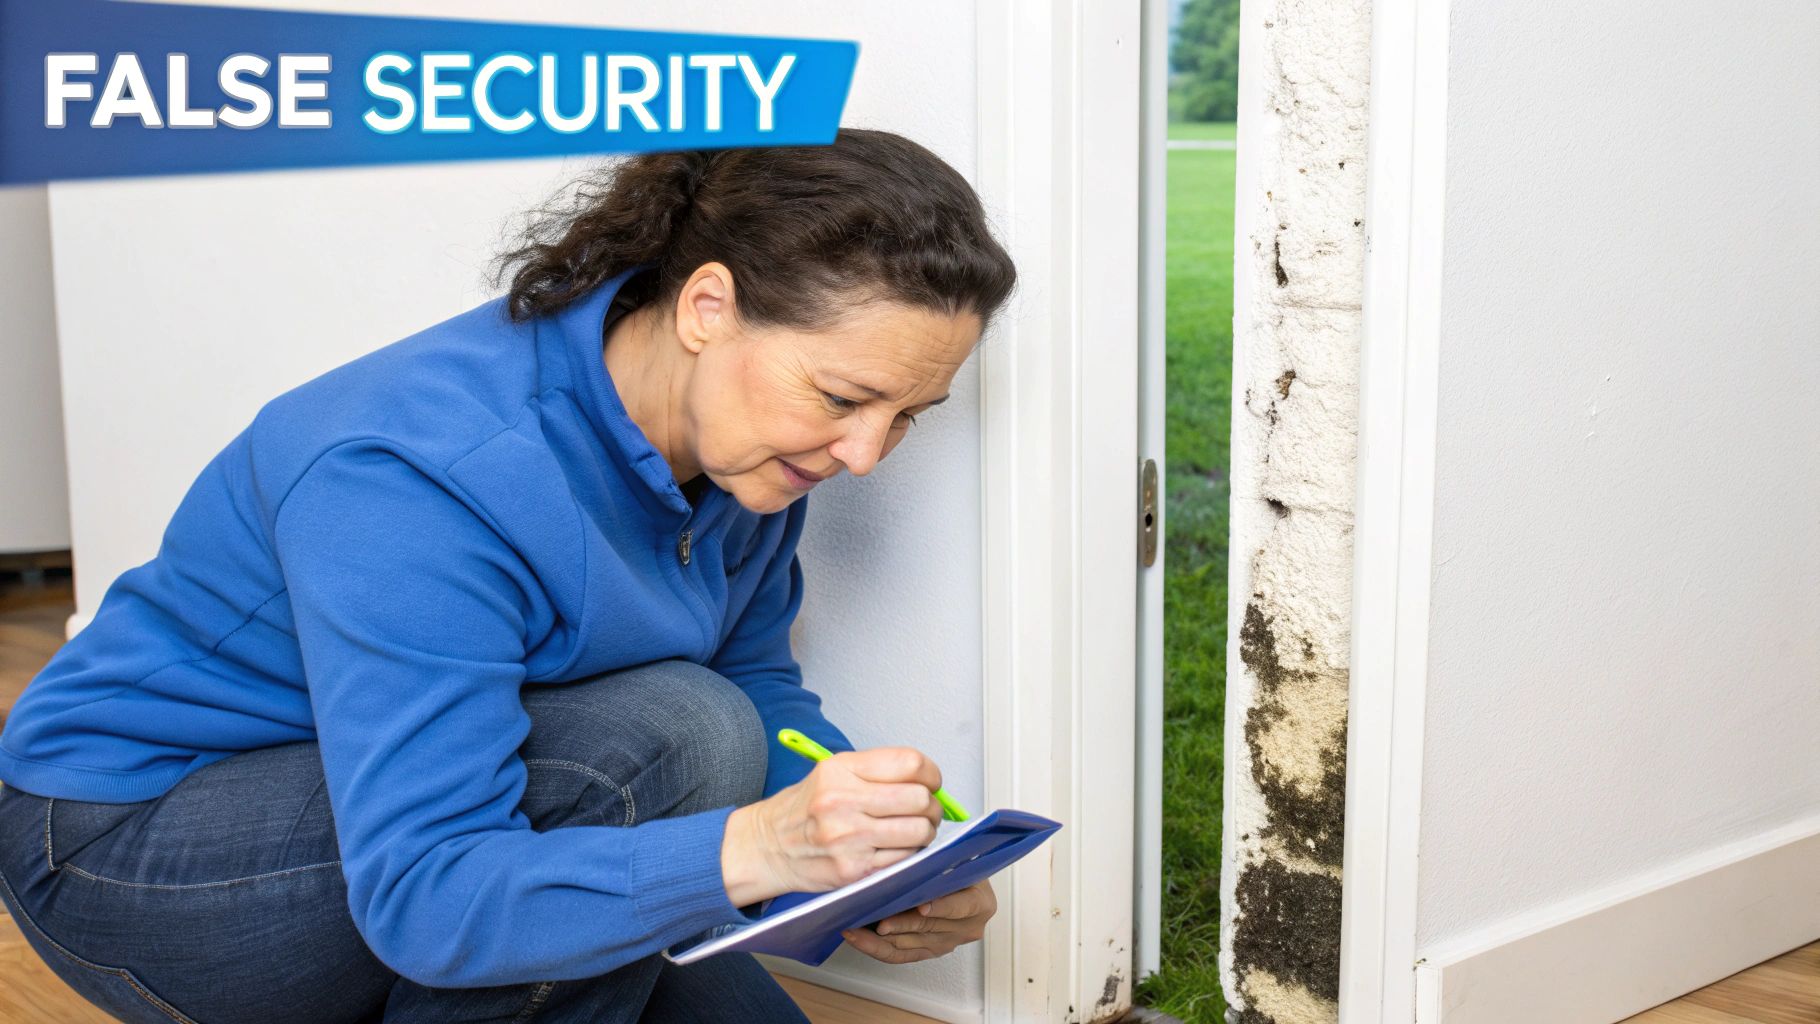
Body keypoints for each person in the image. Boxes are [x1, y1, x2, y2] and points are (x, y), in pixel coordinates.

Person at [0, 128, 1018, 1023]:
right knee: (679, 731)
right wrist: (767, 850)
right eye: (843, 396)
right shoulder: (418, 474)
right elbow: (428, 893)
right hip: (127, 849)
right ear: (707, 306)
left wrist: (884, 862)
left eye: (905, 415)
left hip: (419, 814)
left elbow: (760, 694)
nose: (863, 455)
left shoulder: (747, 454)